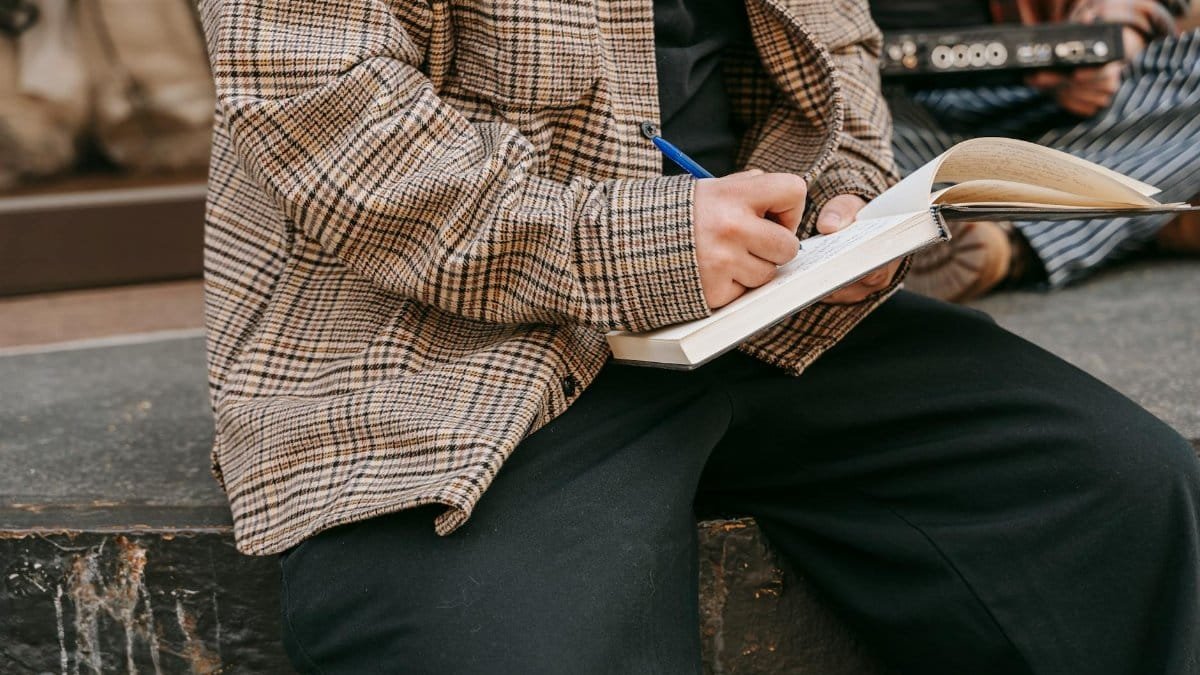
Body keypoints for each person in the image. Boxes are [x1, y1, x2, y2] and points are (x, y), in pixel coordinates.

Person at [198, 0, 1200, 673]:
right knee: (510, 647)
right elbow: (319, 116)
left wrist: (850, 200)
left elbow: (835, 39)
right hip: (441, 344)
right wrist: (643, 245)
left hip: (771, 305)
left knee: (1121, 494)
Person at [875, 0, 1200, 302]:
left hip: (1066, 96)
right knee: (852, 140)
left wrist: (1116, 32)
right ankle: (1145, 207)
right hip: (904, 115)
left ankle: (1009, 234)